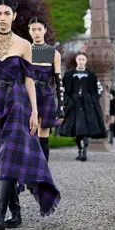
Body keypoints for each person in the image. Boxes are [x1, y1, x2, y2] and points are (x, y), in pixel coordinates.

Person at [0, 0, 60, 230]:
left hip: (17, 101)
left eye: (6, 13)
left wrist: (35, 111)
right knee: (1, 160)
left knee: (9, 153)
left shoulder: (23, 45)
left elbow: (29, 80)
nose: (2, 17)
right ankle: (16, 212)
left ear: (14, 16)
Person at [28, 17, 64, 162]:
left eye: (39, 29)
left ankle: (42, 176)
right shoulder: (24, 50)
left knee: (43, 134)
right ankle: (29, 175)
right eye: (33, 30)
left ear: (45, 31)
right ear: (29, 31)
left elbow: (58, 81)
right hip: (28, 96)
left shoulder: (54, 53)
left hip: (46, 96)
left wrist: (61, 107)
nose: (36, 33)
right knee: (30, 133)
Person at [59, 52, 107, 161]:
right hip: (73, 105)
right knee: (76, 129)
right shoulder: (69, 74)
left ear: (86, 61)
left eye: (83, 59)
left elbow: (99, 89)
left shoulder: (91, 75)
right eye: (79, 59)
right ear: (76, 60)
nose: (81, 61)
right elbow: (63, 89)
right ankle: (80, 149)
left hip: (88, 105)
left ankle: (84, 151)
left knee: (85, 128)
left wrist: (92, 99)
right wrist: (68, 100)